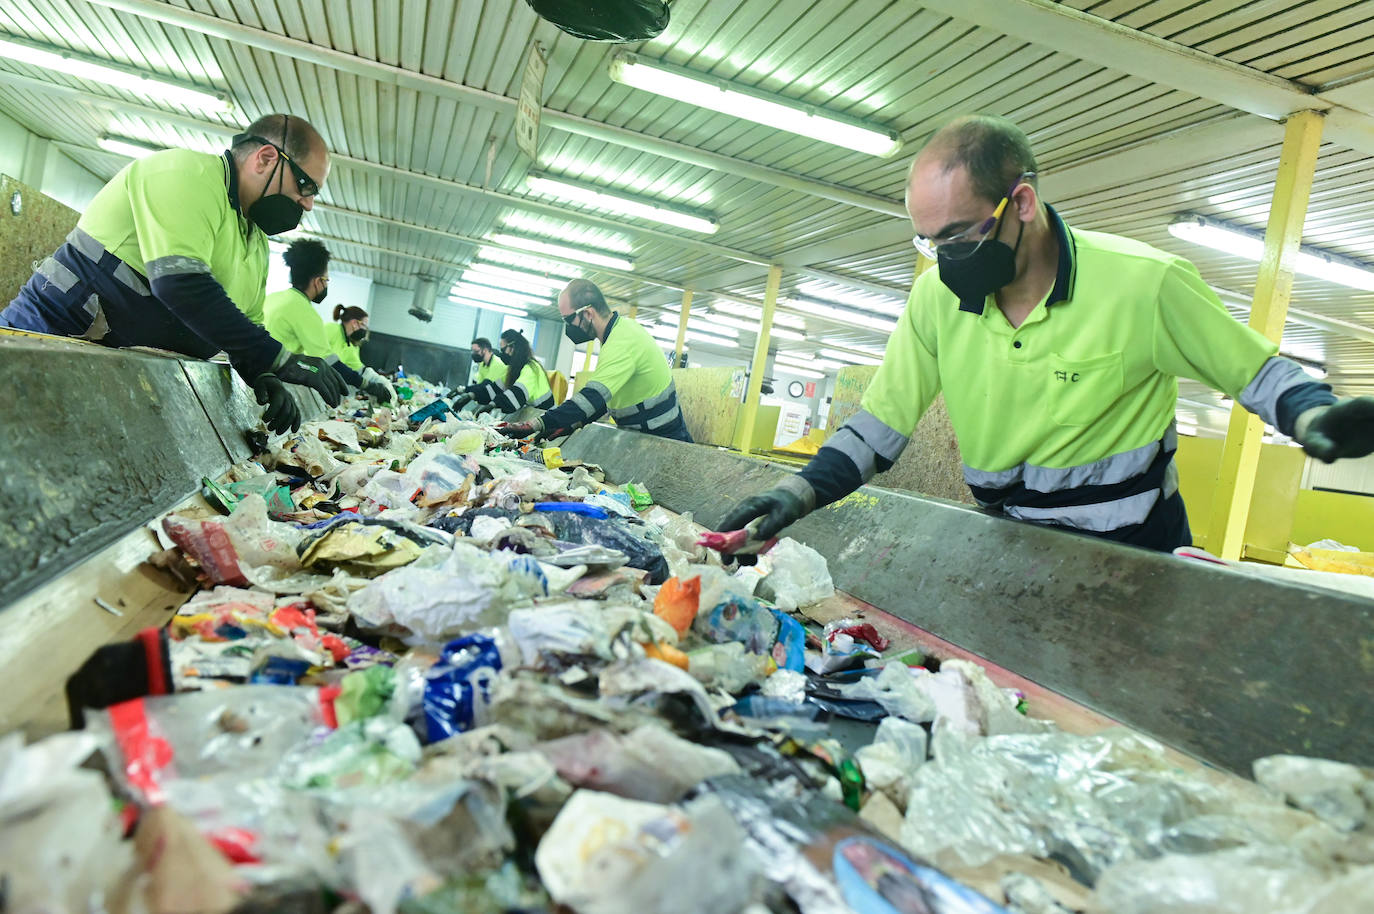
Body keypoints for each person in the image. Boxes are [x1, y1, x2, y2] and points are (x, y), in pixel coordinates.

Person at [718, 115, 1374, 552]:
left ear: (1022, 204)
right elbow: (879, 429)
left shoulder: (1145, 283)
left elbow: (1254, 373)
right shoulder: (935, 299)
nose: (944, 258)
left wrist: (1313, 415)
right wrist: (797, 494)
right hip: (1010, 539)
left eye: (958, 235)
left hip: (1134, 547)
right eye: (928, 241)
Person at [0, 113, 345, 433]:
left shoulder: (254, 241)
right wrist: (276, 357)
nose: (308, 204)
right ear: (266, 158)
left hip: (108, 374)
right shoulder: (185, 174)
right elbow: (182, 287)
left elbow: (243, 330)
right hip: (46, 343)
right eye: (306, 186)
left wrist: (262, 373)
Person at [500, 279, 693, 442]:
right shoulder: (616, 335)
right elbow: (604, 400)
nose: (568, 328)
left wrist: (536, 424)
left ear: (588, 313)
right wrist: (570, 424)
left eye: (568, 320)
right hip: (647, 437)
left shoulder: (623, 340)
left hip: (669, 440)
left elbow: (592, 398)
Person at [262, 239, 391, 402]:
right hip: (271, 384)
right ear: (318, 282)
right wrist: (367, 385)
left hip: (256, 375)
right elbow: (328, 362)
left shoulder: (272, 297)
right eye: (326, 280)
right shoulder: (304, 310)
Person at [466, 329, 555, 416]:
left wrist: (493, 404)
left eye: (503, 349)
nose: (502, 354)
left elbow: (517, 394)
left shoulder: (531, 368)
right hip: (532, 414)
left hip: (546, 416)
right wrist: (471, 395)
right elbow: (494, 389)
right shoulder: (515, 369)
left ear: (513, 347)